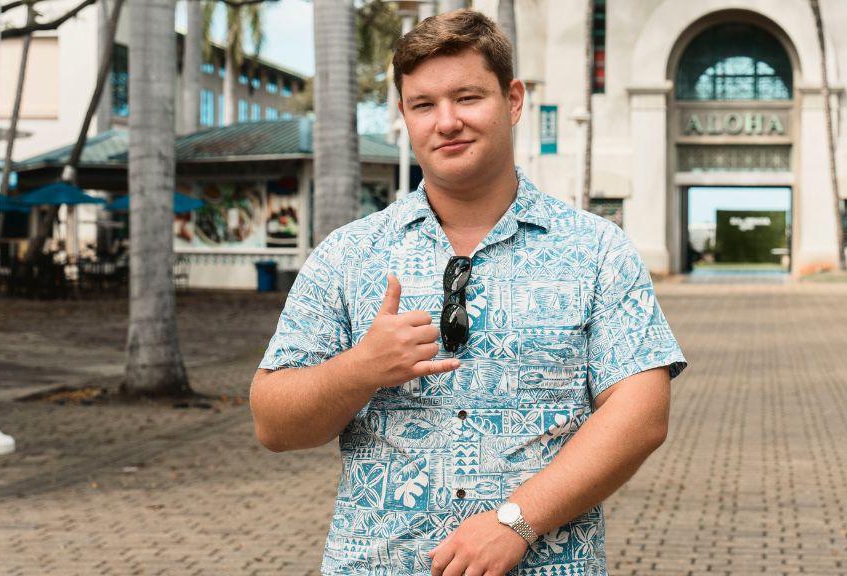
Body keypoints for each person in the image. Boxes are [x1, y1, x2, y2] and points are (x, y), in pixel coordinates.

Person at [250, 9, 686, 576]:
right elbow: (273, 424)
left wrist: (517, 520)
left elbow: (641, 414)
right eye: (424, 105)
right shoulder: (349, 254)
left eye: (467, 98)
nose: (447, 121)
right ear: (404, 115)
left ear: (513, 100)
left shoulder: (598, 250)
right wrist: (360, 368)